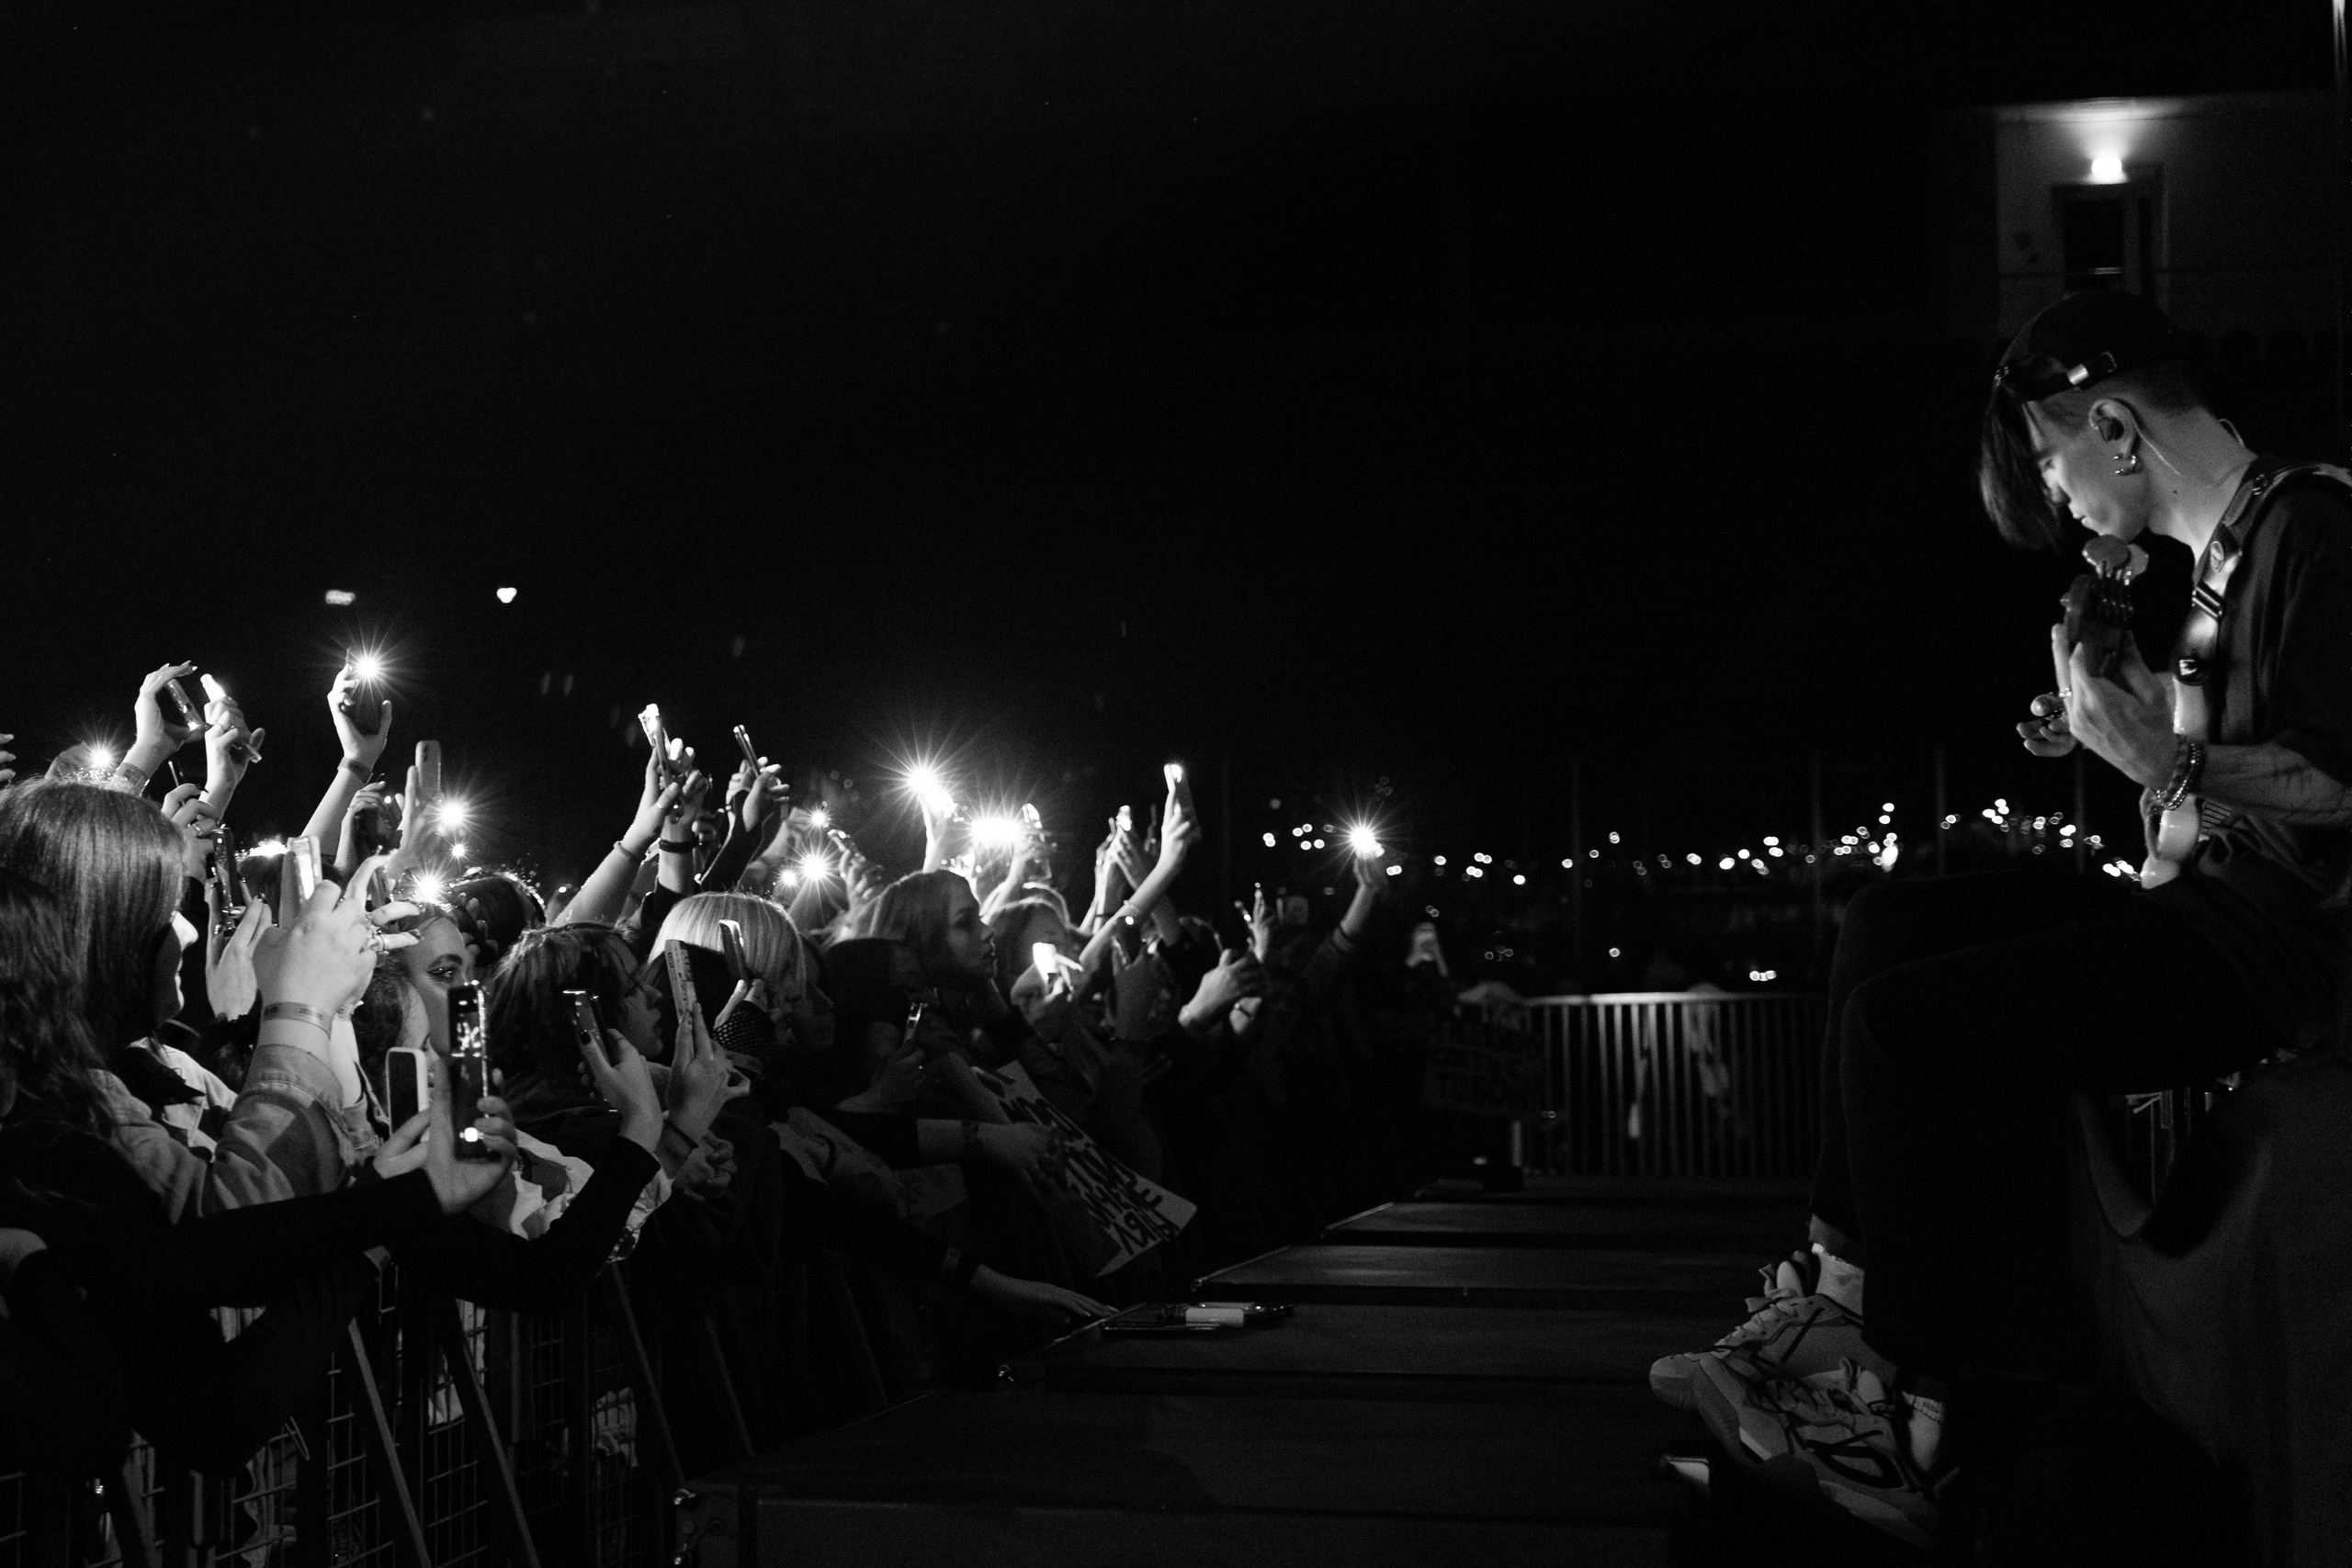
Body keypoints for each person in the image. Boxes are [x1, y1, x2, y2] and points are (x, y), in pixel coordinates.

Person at [1651, 290, 2352, 1547]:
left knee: (1903, 1029)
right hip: (2204, 903)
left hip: (2268, 952)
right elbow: (2224, 773)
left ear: (2117, 428)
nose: (2060, 499)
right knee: (1885, 927)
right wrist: (2119, 719)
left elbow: (2336, 779)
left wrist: (2158, 757)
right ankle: (1839, 1299)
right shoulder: (2225, 562)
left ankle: (1913, 1409)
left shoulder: (2316, 527)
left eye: (2053, 461)